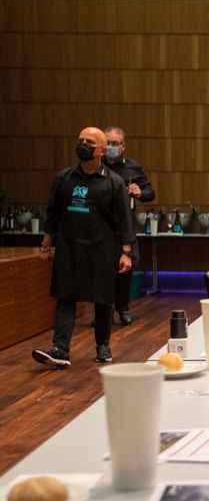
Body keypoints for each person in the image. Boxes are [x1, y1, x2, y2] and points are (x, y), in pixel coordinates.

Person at [32, 127, 134, 367]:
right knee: (64, 296)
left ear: (102, 151)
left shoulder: (114, 182)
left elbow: (123, 220)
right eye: (80, 140)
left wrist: (126, 252)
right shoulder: (64, 178)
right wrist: (47, 242)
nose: (83, 145)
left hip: (102, 248)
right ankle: (60, 349)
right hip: (69, 247)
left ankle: (102, 345)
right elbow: (53, 211)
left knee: (103, 298)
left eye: (89, 142)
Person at [103, 125, 155, 325]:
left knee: (126, 266)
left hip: (125, 224)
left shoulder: (133, 167)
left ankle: (123, 306)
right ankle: (104, 309)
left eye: (114, 143)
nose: (110, 147)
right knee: (102, 268)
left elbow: (150, 193)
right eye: (107, 143)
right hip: (101, 224)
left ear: (123, 146)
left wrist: (140, 192)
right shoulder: (96, 166)